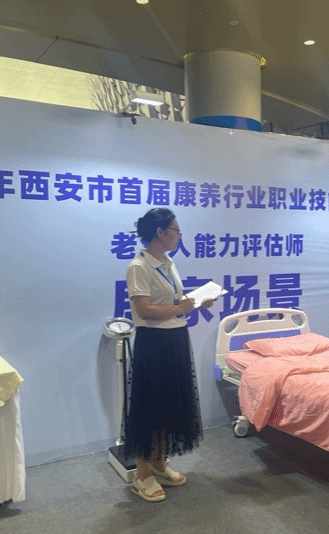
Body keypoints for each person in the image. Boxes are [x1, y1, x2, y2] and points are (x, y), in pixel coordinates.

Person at [125, 208, 213, 502]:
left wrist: (195, 302)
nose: (179, 235)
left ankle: (159, 464)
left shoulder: (168, 263)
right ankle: (142, 474)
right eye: (175, 230)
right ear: (160, 232)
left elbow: (173, 301)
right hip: (154, 342)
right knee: (148, 409)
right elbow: (144, 310)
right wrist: (180, 308)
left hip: (176, 337)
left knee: (168, 406)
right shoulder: (138, 266)